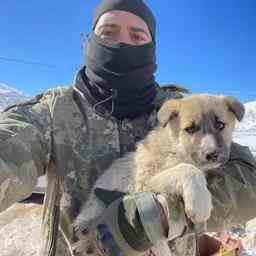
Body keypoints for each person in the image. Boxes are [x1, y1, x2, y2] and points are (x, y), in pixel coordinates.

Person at [0, 0, 256, 255]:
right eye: (108, 32)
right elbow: (9, 146)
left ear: (152, 49)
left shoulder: (182, 110)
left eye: (137, 35)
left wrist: (163, 213)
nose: (122, 43)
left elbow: (249, 178)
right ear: (89, 41)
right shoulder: (52, 111)